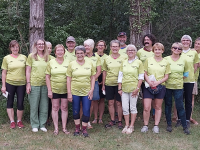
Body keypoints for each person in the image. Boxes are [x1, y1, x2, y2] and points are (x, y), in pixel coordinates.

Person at [141, 42, 171, 133]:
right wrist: (149, 82)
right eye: (156, 49)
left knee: (158, 106)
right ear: (153, 50)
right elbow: (144, 72)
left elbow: (166, 76)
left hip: (160, 86)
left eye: (159, 49)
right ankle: (145, 125)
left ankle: (156, 125)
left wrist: (158, 82)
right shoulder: (148, 60)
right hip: (148, 86)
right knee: (146, 107)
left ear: (162, 51)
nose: (157, 51)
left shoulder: (166, 62)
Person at [67, 45, 95, 137]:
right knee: (76, 110)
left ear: (85, 54)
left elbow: (93, 77)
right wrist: (69, 93)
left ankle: (84, 129)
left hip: (87, 91)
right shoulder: (71, 64)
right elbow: (68, 79)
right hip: (74, 91)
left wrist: (92, 90)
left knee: (86, 110)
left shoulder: (90, 63)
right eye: (77, 53)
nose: (79, 55)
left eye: (81, 53)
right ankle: (77, 128)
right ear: (75, 54)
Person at [164, 42, 190, 134]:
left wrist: (178, 79)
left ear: (181, 51)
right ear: (171, 49)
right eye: (175, 48)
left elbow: (186, 73)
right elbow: (162, 72)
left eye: (179, 49)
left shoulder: (184, 60)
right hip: (167, 86)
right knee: (168, 105)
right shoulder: (166, 59)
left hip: (178, 86)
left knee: (180, 106)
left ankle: (185, 126)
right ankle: (169, 124)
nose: (177, 50)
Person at [118, 44, 144, 134]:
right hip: (124, 89)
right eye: (129, 50)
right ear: (126, 52)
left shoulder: (139, 62)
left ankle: (131, 126)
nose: (130, 52)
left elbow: (141, 77)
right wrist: (119, 88)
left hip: (134, 89)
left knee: (132, 107)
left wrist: (137, 88)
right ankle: (126, 125)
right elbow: (120, 76)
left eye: (132, 50)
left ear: (135, 52)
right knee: (125, 108)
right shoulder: (124, 62)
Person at [1, 40, 27, 129]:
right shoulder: (6, 58)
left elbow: (27, 71)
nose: (15, 48)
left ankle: (19, 121)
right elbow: (4, 73)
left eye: (17, 47)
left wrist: (28, 83)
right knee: (10, 102)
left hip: (21, 84)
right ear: (10, 48)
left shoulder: (24, 57)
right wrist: (3, 85)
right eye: (13, 47)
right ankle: (12, 121)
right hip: (10, 83)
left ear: (19, 47)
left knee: (20, 103)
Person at [26, 39, 50, 132]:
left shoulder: (48, 57)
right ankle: (35, 124)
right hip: (34, 84)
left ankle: (42, 124)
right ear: (36, 45)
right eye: (39, 44)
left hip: (45, 84)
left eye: (42, 44)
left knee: (44, 105)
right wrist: (28, 84)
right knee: (34, 105)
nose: (41, 45)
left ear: (44, 45)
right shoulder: (31, 56)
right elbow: (28, 71)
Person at [46, 44, 70, 135]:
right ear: (55, 52)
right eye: (58, 50)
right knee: (55, 108)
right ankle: (56, 128)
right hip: (54, 89)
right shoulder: (51, 62)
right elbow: (47, 77)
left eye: (62, 50)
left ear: (64, 52)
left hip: (65, 89)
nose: (60, 52)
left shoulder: (69, 62)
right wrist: (49, 90)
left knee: (64, 108)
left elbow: (71, 76)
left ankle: (64, 128)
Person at [176, 35, 199, 128]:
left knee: (188, 100)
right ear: (181, 41)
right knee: (179, 100)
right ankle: (179, 119)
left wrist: (188, 75)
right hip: (179, 80)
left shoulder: (194, 53)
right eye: (183, 40)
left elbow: (195, 66)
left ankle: (187, 119)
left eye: (187, 40)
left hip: (189, 80)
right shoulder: (178, 51)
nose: (185, 42)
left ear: (190, 42)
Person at [102, 40, 126, 129]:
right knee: (110, 102)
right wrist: (103, 84)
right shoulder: (107, 58)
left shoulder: (124, 58)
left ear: (119, 48)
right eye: (113, 46)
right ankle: (112, 120)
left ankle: (120, 121)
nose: (115, 48)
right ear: (110, 47)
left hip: (120, 84)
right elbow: (104, 71)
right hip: (109, 83)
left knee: (119, 103)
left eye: (117, 46)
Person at [137, 34, 156, 119]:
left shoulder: (156, 50)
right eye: (145, 40)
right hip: (143, 78)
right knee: (145, 95)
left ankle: (154, 113)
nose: (146, 41)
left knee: (154, 96)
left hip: (154, 77)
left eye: (148, 39)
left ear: (152, 41)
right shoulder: (140, 52)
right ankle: (145, 111)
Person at [84, 39, 101, 128]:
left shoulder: (97, 57)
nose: (86, 47)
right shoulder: (81, 55)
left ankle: (88, 121)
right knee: (82, 102)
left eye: (88, 46)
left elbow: (99, 71)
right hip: (83, 82)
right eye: (85, 46)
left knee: (90, 102)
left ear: (92, 47)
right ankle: (82, 120)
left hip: (93, 82)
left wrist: (92, 79)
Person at [94, 40, 108, 124]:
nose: (100, 47)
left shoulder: (107, 57)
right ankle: (95, 118)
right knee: (95, 99)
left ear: (105, 47)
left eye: (102, 45)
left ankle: (100, 118)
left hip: (104, 77)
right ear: (96, 46)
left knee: (102, 99)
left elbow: (106, 70)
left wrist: (103, 82)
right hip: (94, 77)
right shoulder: (93, 55)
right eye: (99, 45)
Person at [190, 37, 200, 125]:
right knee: (179, 97)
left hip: (194, 79)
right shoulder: (190, 51)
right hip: (183, 78)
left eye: (199, 44)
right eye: (196, 43)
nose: (197, 45)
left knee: (191, 98)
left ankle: (190, 117)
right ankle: (176, 117)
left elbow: (197, 66)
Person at [45, 41, 54, 126]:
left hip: (51, 84)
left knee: (50, 103)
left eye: (51, 48)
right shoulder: (37, 57)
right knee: (42, 102)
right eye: (47, 48)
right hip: (39, 83)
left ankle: (48, 119)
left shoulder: (53, 58)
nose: (49, 49)